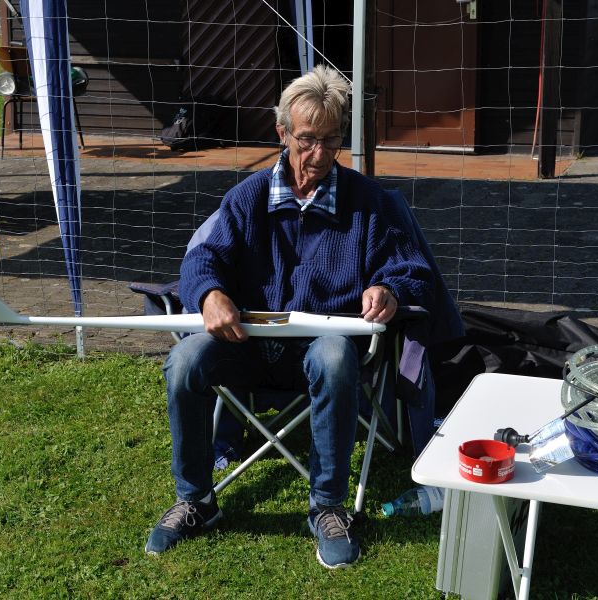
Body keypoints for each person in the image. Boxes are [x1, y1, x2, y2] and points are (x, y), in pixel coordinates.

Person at [145, 65, 435, 569]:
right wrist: (209, 294)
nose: (319, 154)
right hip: (247, 344)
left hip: (325, 348)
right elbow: (202, 258)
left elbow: (410, 268)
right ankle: (196, 501)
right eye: (307, 139)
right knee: (185, 360)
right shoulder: (247, 197)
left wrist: (388, 289)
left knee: (335, 358)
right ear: (281, 132)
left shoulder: (369, 203)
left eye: (332, 140)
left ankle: (328, 507)